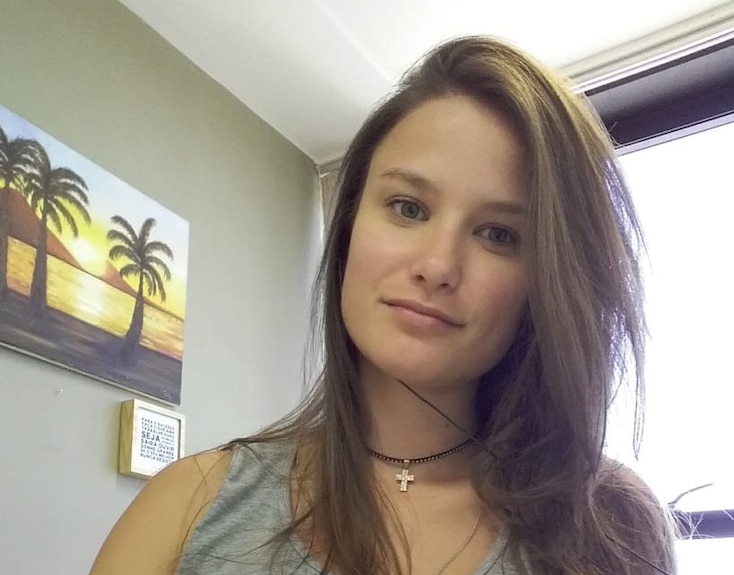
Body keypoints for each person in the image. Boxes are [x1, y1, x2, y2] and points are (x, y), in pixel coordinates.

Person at [90, 36, 678, 575]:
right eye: (408, 208)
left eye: (499, 235)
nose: (438, 265)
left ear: (548, 281)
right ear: (347, 226)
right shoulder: (186, 505)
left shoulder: (609, 527)